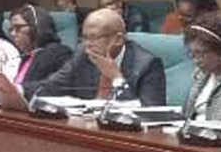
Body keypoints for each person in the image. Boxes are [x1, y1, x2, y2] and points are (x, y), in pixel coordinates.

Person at [38, 8, 166, 106]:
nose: (87, 44)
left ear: (118, 39)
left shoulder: (147, 65)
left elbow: (150, 114)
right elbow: (50, 87)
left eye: (93, 37)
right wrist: (26, 92)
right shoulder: (82, 54)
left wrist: (116, 78)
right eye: (84, 37)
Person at [7, 4, 73, 98]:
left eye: (18, 28)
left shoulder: (59, 52)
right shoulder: (24, 55)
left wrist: (21, 89)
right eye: (11, 29)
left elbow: (56, 86)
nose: (13, 34)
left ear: (37, 27)